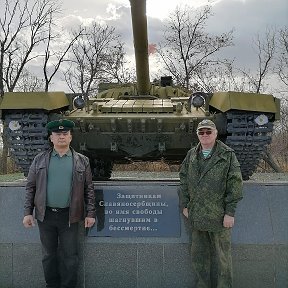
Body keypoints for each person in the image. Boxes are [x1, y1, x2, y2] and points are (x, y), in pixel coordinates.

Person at [23, 119, 96, 288]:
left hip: (69, 216)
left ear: (71, 137)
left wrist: (90, 213)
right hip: (45, 215)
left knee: (70, 256)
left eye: (65, 134)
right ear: (51, 138)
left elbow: (89, 189)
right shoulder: (40, 159)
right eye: (57, 134)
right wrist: (28, 212)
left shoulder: (82, 161)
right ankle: (52, 285)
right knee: (48, 255)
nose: (61, 137)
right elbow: (30, 187)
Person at [179, 119, 243, 288]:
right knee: (199, 258)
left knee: (223, 259)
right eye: (201, 132)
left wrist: (230, 212)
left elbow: (235, 184)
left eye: (208, 132)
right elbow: (183, 180)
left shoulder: (227, 154)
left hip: (219, 216)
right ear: (197, 135)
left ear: (215, 133)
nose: (205, 135)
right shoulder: (192, 154)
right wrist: (185, 205)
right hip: (198, 216)